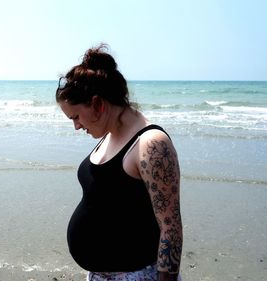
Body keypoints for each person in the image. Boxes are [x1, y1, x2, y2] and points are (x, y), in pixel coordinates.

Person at [55, 44, 182, 281]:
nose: (76, 126)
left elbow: (170, 228)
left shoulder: (151, 145)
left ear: (97, 104)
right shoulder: (109, 134)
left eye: (76, 117)